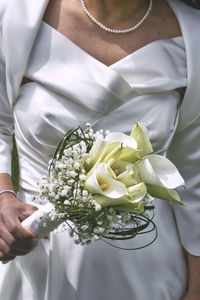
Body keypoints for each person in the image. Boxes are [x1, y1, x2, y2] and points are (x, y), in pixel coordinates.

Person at [0, 0, 200, 299]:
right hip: (38, 260)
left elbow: (194, 176)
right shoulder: (14, 15)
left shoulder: (193, 38)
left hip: (150, 271)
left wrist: (196, 290)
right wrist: (2, 197)